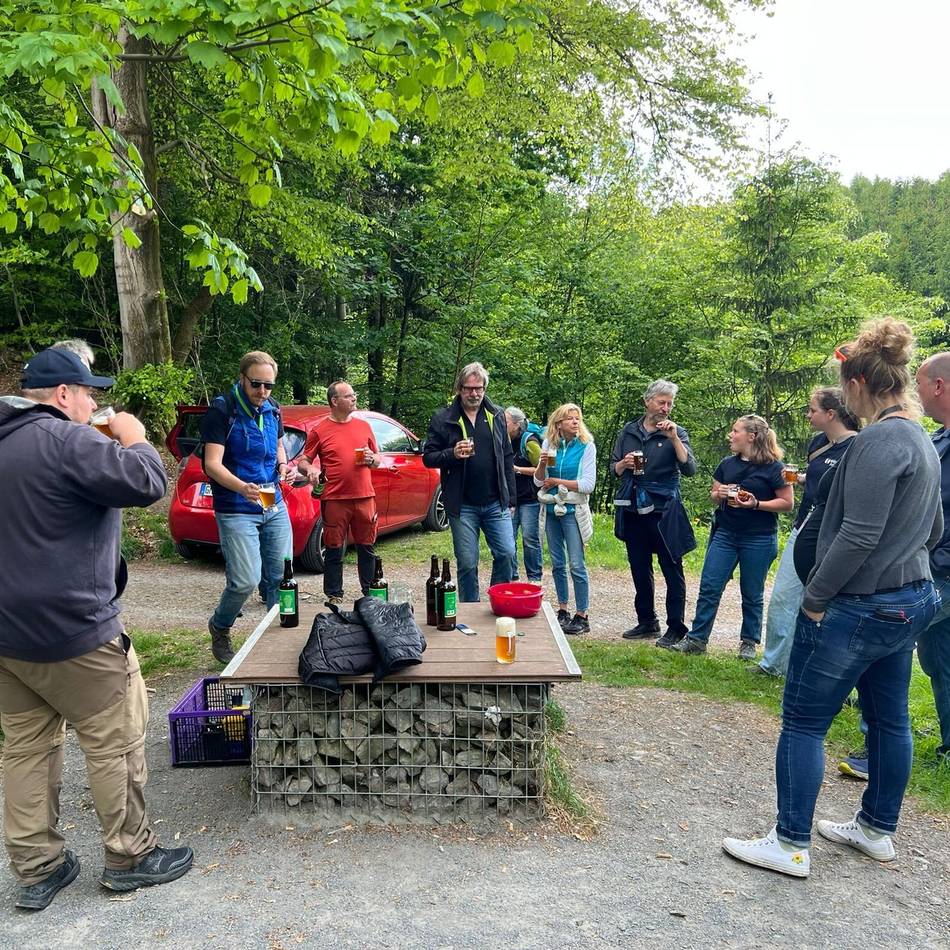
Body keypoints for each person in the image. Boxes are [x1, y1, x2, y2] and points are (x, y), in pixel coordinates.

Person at [723, 318, 942, 879]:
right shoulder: (922, 437)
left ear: (859, 383)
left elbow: (859, 534)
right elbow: (934, 529)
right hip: (908, 598)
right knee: (889, 718)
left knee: (801, 721)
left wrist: (816, 599)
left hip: (859, 606)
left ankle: (790, 842)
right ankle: (876, 829)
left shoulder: (877, 442)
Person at [0, 347, 193, 911]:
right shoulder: (66, 439)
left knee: (26, 751)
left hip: (9, 637)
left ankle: (38, 869)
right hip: (78, 631)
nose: (94, 404)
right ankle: (129, 857)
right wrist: (133, 434)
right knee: (114, 743)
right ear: (64, 394)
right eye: (90, 393)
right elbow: (146, 481)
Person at [757, 388, 860, 677]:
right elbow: (819, 483)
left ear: (831, 414)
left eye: (812, 410)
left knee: (828, 605)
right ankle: (773, 664)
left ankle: (826, 672)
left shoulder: (856, 447)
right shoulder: (818, 443)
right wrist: (801, 479)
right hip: (803, 527)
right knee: (783, 597)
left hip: (833, 537)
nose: (807, 415)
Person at [674, 415, 793, 659]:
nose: (731, 435)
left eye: (736, 431)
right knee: (710, 586)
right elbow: (714, 494)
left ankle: (748, 643)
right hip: (725, 534)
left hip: (759, 538)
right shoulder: (727, 464)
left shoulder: (774, 468)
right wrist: (720, 494)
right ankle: (697, 639)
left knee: (752, 592)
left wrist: (756, 503)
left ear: (752, 436)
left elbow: (787, 503)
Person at [202, 351, 292, 664]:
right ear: (242, 378)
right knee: (244, 580)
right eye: (256, 384)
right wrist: (242, 487)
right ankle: (220, 625)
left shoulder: (273, 409)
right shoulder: (222, 410)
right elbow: (212, 464)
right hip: (236, 503)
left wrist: (284, 465)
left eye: (269, 386)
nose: (263, 392)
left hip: (270, 498)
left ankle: (278, 639)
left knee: (282, 577)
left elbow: (279, 444)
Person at [610, 380, 697, 646]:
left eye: (670, 404)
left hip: (665, 509)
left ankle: (676, 628)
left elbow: (690, 468)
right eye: (661, 402)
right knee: (639, 566)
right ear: (647, 401)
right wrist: (623, 465)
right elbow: (612, 468)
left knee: (672, 569)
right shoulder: (629, 431)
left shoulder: (677, 432)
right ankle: (647, 621)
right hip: (635, 505)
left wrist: (673, 438)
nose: (666, 408)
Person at [423, 363, 517, 602]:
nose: (474, 394)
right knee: (466, 562)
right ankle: (469, 610)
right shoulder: (443, 418)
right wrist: (451, 454)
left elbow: (506, 458)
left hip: (496, 502)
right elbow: (428, 457)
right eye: (469, 389)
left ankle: (498, 601)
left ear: (485, 388)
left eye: (479, 388)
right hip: (462, 505)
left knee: (507, 553)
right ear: (459, 388)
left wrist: (511, 497)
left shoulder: (496, 415)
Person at [297, 381, 381, 605]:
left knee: (367, 547)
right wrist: (311, 469)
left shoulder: (363, 426)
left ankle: (371, 593)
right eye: (349, 396)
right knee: (334, 548)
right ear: (334, 401)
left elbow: (378, 458)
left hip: (364, 496)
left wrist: (373, 459)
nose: (354, 398)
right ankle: (334, 595)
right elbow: (302, 462)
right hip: (334, 498)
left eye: (354, 395)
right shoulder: (320, 430)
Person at [533, 403, 596, 635]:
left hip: (573, 511)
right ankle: (563, 609)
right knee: (557, 563)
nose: (575, 422)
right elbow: (539, 482)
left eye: (577, 418)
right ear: (558, 424)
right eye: (570, 419)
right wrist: (540, 464)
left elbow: (588, 485)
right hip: (550, 510)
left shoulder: (586, 447)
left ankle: (583, 615)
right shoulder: (549, 444)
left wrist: (558, 482)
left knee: (577, 564)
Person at [915, 352, 950, 764]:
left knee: (888, 639)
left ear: (938, 386)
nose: (917, 393)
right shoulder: (937, 438)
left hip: (941, 572)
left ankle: (878, 747)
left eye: (920, 383)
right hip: (933, 565)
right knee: (940, 660)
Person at [505, 406, 543, 583]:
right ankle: (512, 578)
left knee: (529, 539)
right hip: (510, 500)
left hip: (530, 499)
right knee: (508, 540)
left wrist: (518, 469)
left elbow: (542, 471)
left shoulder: (530, 442)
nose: (501, 424)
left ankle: (534, 579)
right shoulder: (503, 441)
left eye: (505, 421)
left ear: (516, 424)